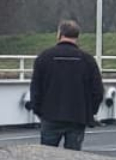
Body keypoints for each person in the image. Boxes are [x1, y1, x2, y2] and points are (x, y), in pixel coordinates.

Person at [30, 20, 104, 149]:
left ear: (59, 34)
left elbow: (36, 89)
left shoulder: (44, 57)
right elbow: (97, 91)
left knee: (46, 158)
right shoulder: (87, 60)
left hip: (50, 115)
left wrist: (39, 111)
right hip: (77, 116)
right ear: (77, 36)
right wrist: (90, 111)